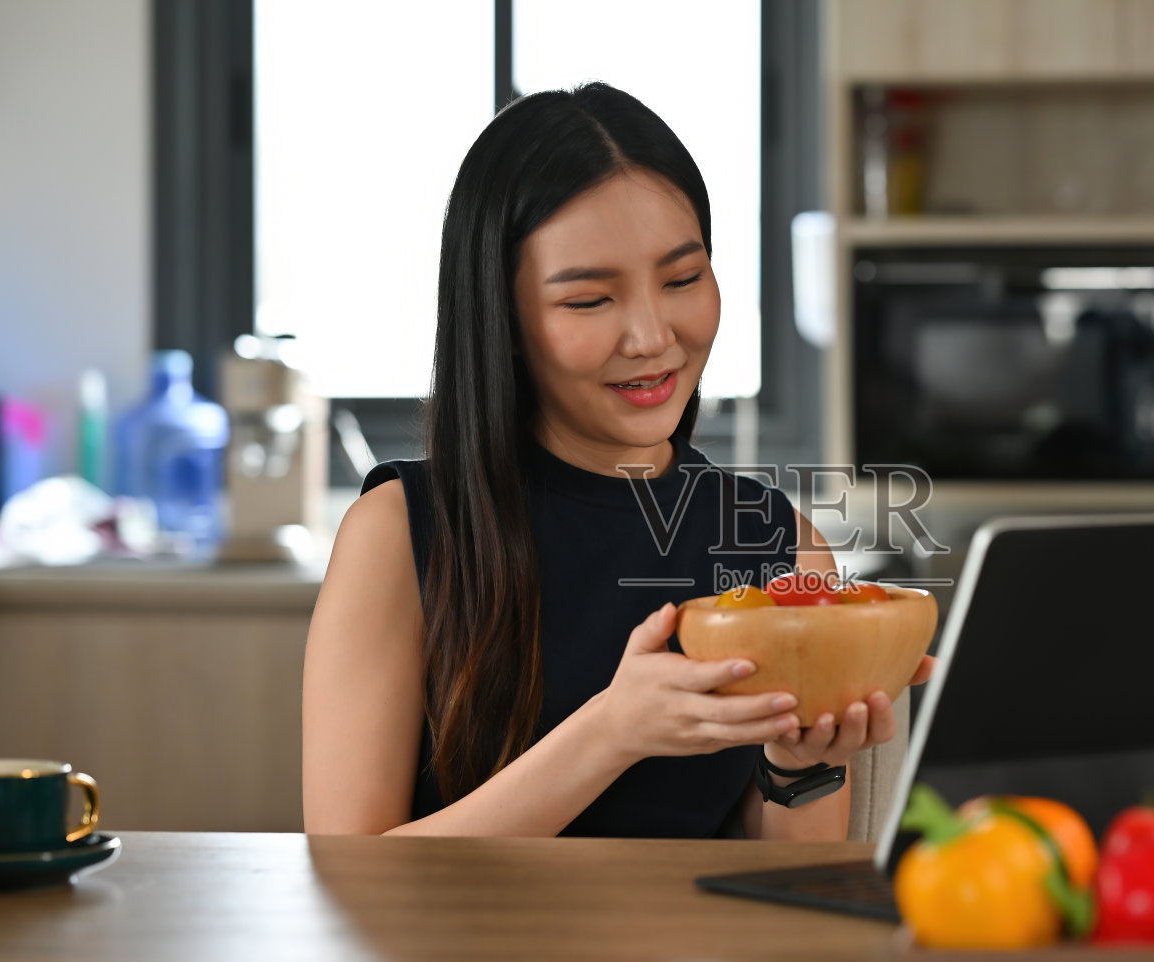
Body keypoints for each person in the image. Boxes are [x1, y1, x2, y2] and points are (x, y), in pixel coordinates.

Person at [302, 82, 933, 839]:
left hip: (685, 956)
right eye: (590, 300)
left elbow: (794, 883)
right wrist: (611, 732)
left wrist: (799, 763)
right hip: (446, 959)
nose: (649, 336)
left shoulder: (779, 545)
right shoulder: (397, 534)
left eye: (682, 279)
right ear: (503, 320)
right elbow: (345, 874)